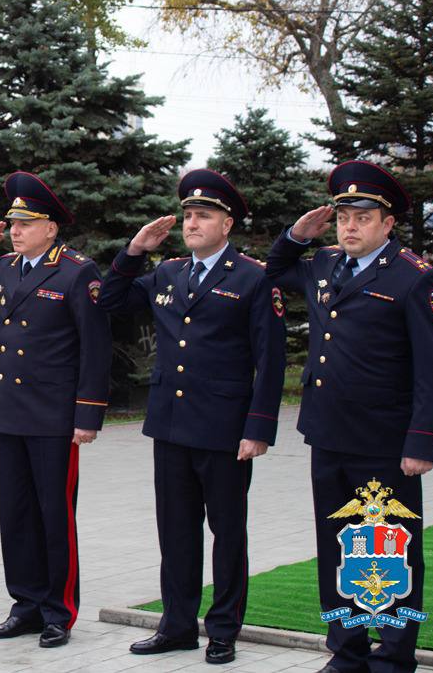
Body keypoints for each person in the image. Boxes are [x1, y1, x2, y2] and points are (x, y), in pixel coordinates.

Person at [266, 161, 433, 673]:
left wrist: (421, 443)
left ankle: (393, 657)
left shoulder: (415, 278)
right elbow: (274, 272)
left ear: (387, 224)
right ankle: (346, 652)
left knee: (390, 549)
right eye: (344, 217)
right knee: (337, 548)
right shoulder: (325, 263)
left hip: (384, 441)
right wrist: (295, 236)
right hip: (328, 434)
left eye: (362, 218)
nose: (350, 227)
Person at [99, 169, 286, 665]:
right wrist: (134, 251)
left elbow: (270, 360)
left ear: (227, 224)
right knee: (176, 532)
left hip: (224, 429)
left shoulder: (252, 277)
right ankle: (177, 625)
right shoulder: (169, 273)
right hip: (171, 424)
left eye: (203, 215)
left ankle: (223, 629)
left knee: (227, 534)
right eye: (188, 216)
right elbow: (110, 300)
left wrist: (258, 428)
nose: (192, 224)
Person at [0, 171, 112, 649]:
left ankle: (59, 611)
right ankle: (26, 604)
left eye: (25, 223)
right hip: (11, 412)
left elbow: (95, 348)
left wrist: (87, 414)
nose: (14, 231)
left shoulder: (77, 272)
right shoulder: (3, 268)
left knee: (53, 515)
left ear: (50, 228)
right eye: (12, 223)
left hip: (54, 416)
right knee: (16, 516)